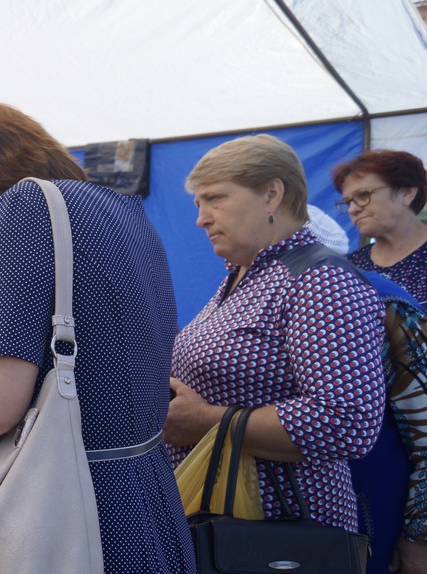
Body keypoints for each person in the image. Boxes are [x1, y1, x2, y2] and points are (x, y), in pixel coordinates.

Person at [0, 100, 196, 572]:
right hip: (147, 501)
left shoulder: (23, 204)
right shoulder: (123, 211)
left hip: (72, 515)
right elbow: (94, 323)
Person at [163, 134, 386, 534]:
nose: (201, 218)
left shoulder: (321, 280)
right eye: (199, 204)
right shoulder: (247, 276)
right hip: (226, 521)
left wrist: (209, 421)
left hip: (281, 530)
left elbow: (347, 420)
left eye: (215, 199)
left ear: (271, 194)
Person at [307, 207, 427, 574]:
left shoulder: (383, 299)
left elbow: (424, 428)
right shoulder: (247, 299)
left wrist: (419, 536)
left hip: (370, 512)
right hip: (296, 520)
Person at [332, 149, 427, 305]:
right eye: (348, 202)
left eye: (363, 195)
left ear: (407, 192)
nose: (352, 209)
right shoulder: (348, 268)